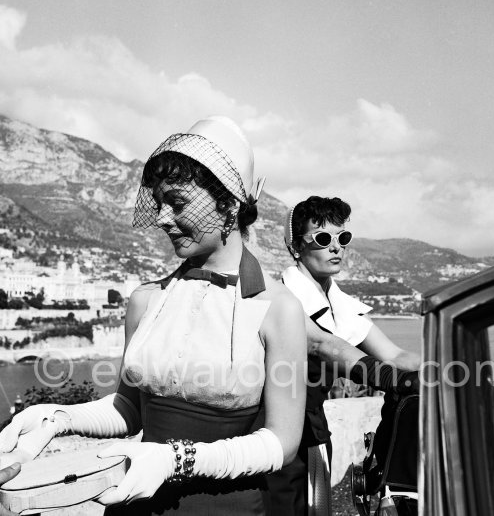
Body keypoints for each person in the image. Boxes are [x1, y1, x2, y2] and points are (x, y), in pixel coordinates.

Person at [0, 117, 307, 515]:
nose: (161, 218)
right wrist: (54, 417)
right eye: (159, 203)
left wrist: (173, 460)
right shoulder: (145, 300)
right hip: (132, 501)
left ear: (229, 204)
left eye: (177, 204)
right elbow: (128, 409)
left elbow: (282, 442)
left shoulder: (278, 308)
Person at [266, 196, 420, 515]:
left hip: (314, 428)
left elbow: (393, 353)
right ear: (295, 247)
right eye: (323, 238)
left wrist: (449, 369)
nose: (336, 247)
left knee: (317, 508)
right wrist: (396, 380)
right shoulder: (283, 297)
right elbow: (324, 346)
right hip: (277, 429)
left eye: (342, 238)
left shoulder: (340, 303)